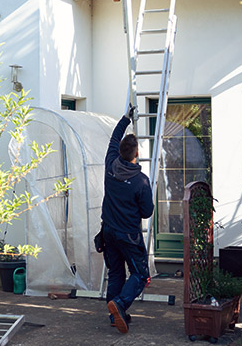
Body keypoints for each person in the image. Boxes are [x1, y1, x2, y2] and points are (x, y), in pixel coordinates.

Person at [100, 105, 154, 334]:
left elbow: (114, 138)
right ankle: (120, 305)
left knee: (115, 273)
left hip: (108, 232)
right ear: (136, 155)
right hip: (129, 235)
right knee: (141, 275)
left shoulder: (110, 165)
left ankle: (115, 317)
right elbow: (147, 212)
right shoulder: (141, 181)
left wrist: (125, 119)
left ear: (120, 152)